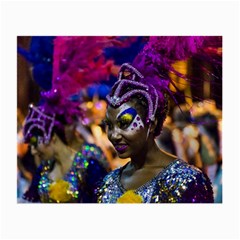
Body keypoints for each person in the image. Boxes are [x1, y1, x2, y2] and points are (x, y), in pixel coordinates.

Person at [96, 36, 220, 203]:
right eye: (109, 126)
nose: (114, 135)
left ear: (151, 123)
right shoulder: (108, 183)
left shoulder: (187, 181)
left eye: (124, 124)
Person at [22, 102, 110, 203]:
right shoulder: (43, 170)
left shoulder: (89, 167)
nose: (33, 151)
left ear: (53, 138)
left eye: (35, 143)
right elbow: (30, 201)